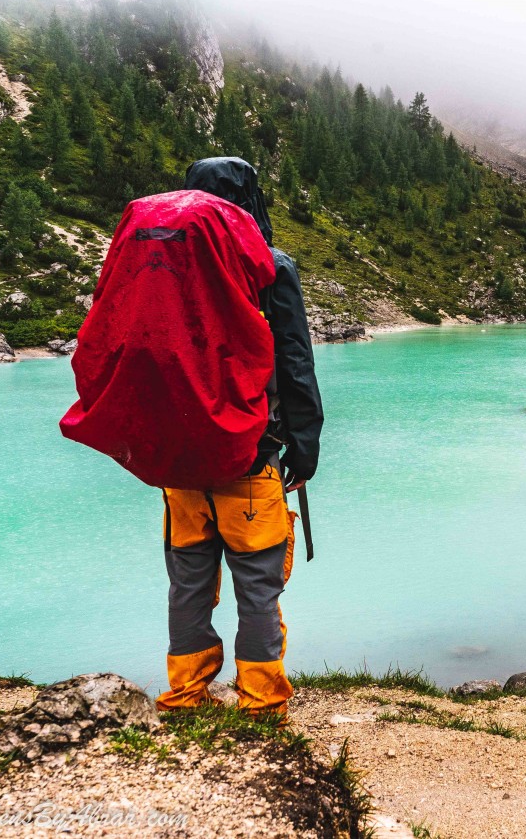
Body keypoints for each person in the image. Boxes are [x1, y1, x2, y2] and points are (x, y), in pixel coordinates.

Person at [154, 157, 323, 718]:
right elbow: (295, 362)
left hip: (179, 461)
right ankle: (259, 700)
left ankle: (184, 693)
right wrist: (306, 444)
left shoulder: (161, 258)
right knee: (258, 586)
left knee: (189, 584)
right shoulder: (268, 266)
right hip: (249, 457)